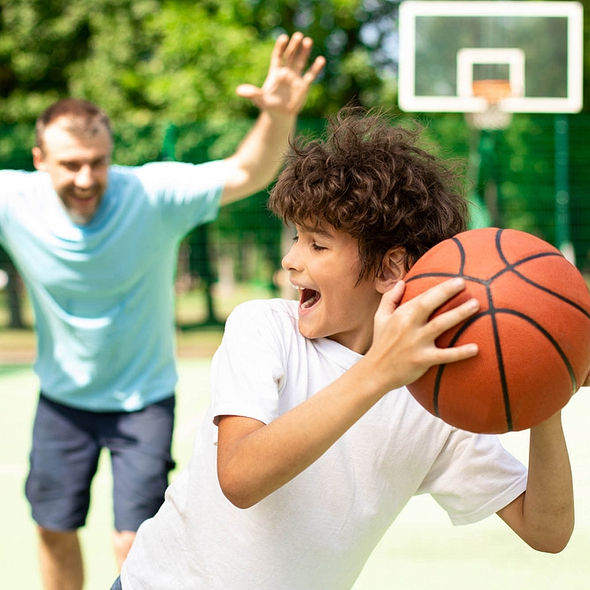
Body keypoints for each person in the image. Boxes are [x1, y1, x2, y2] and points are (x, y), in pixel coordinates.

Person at [115, 107, 580, 590]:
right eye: (297, 237)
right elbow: (239, 477)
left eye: (318, 245)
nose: (291, 260)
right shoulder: (265, 329)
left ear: (389, 269)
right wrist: (379, 372)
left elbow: (546, 531)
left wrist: (549, 382)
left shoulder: (434, 393)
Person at [0, 33, 325, 590]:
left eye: (97, 163)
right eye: (70, 164)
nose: (85, 179)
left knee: (135, 541)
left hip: (142, 401)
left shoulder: (151, 195)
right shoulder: (14, 200)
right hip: (62, 400)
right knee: (53, 528)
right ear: (39, 161)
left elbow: (248, 171)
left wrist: (276, 116)